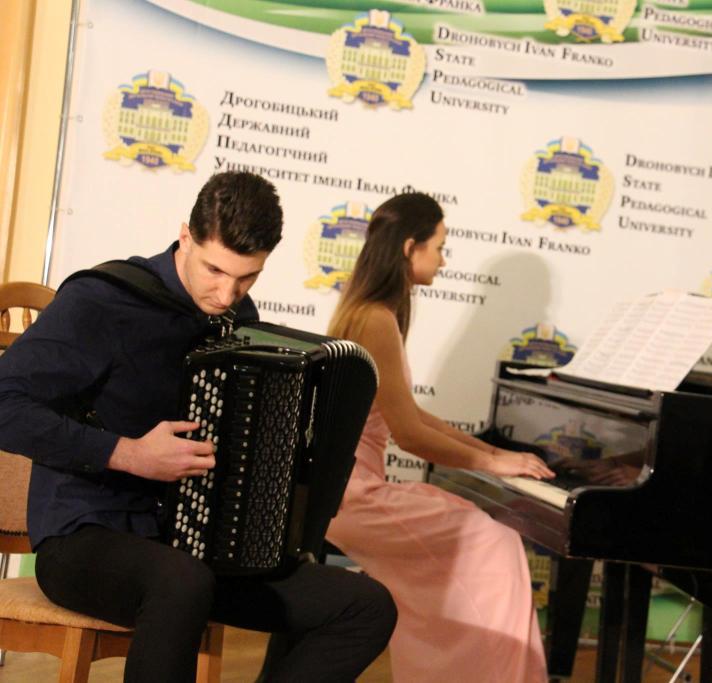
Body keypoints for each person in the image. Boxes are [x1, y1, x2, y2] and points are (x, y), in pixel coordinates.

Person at [0, 171, 396, 682]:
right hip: (83, 539)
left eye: (247, 277)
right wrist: (127, 453)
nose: (227, 293)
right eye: (214, 270)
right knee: (181, 581)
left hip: (195, 550)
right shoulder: (102, 302)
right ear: (185, 236)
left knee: (364, 606)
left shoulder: (238, 318)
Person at [324, 192, 554, 682]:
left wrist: (492, 451)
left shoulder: (365, 311)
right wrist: (491, 464)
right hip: (354, 499)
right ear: (411, 247)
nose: (443, 260)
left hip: (344, 493)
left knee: (486, 544)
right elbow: (409, 436)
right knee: (497, 544)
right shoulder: (376, 319)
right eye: (440, 247)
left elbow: (412, 415)